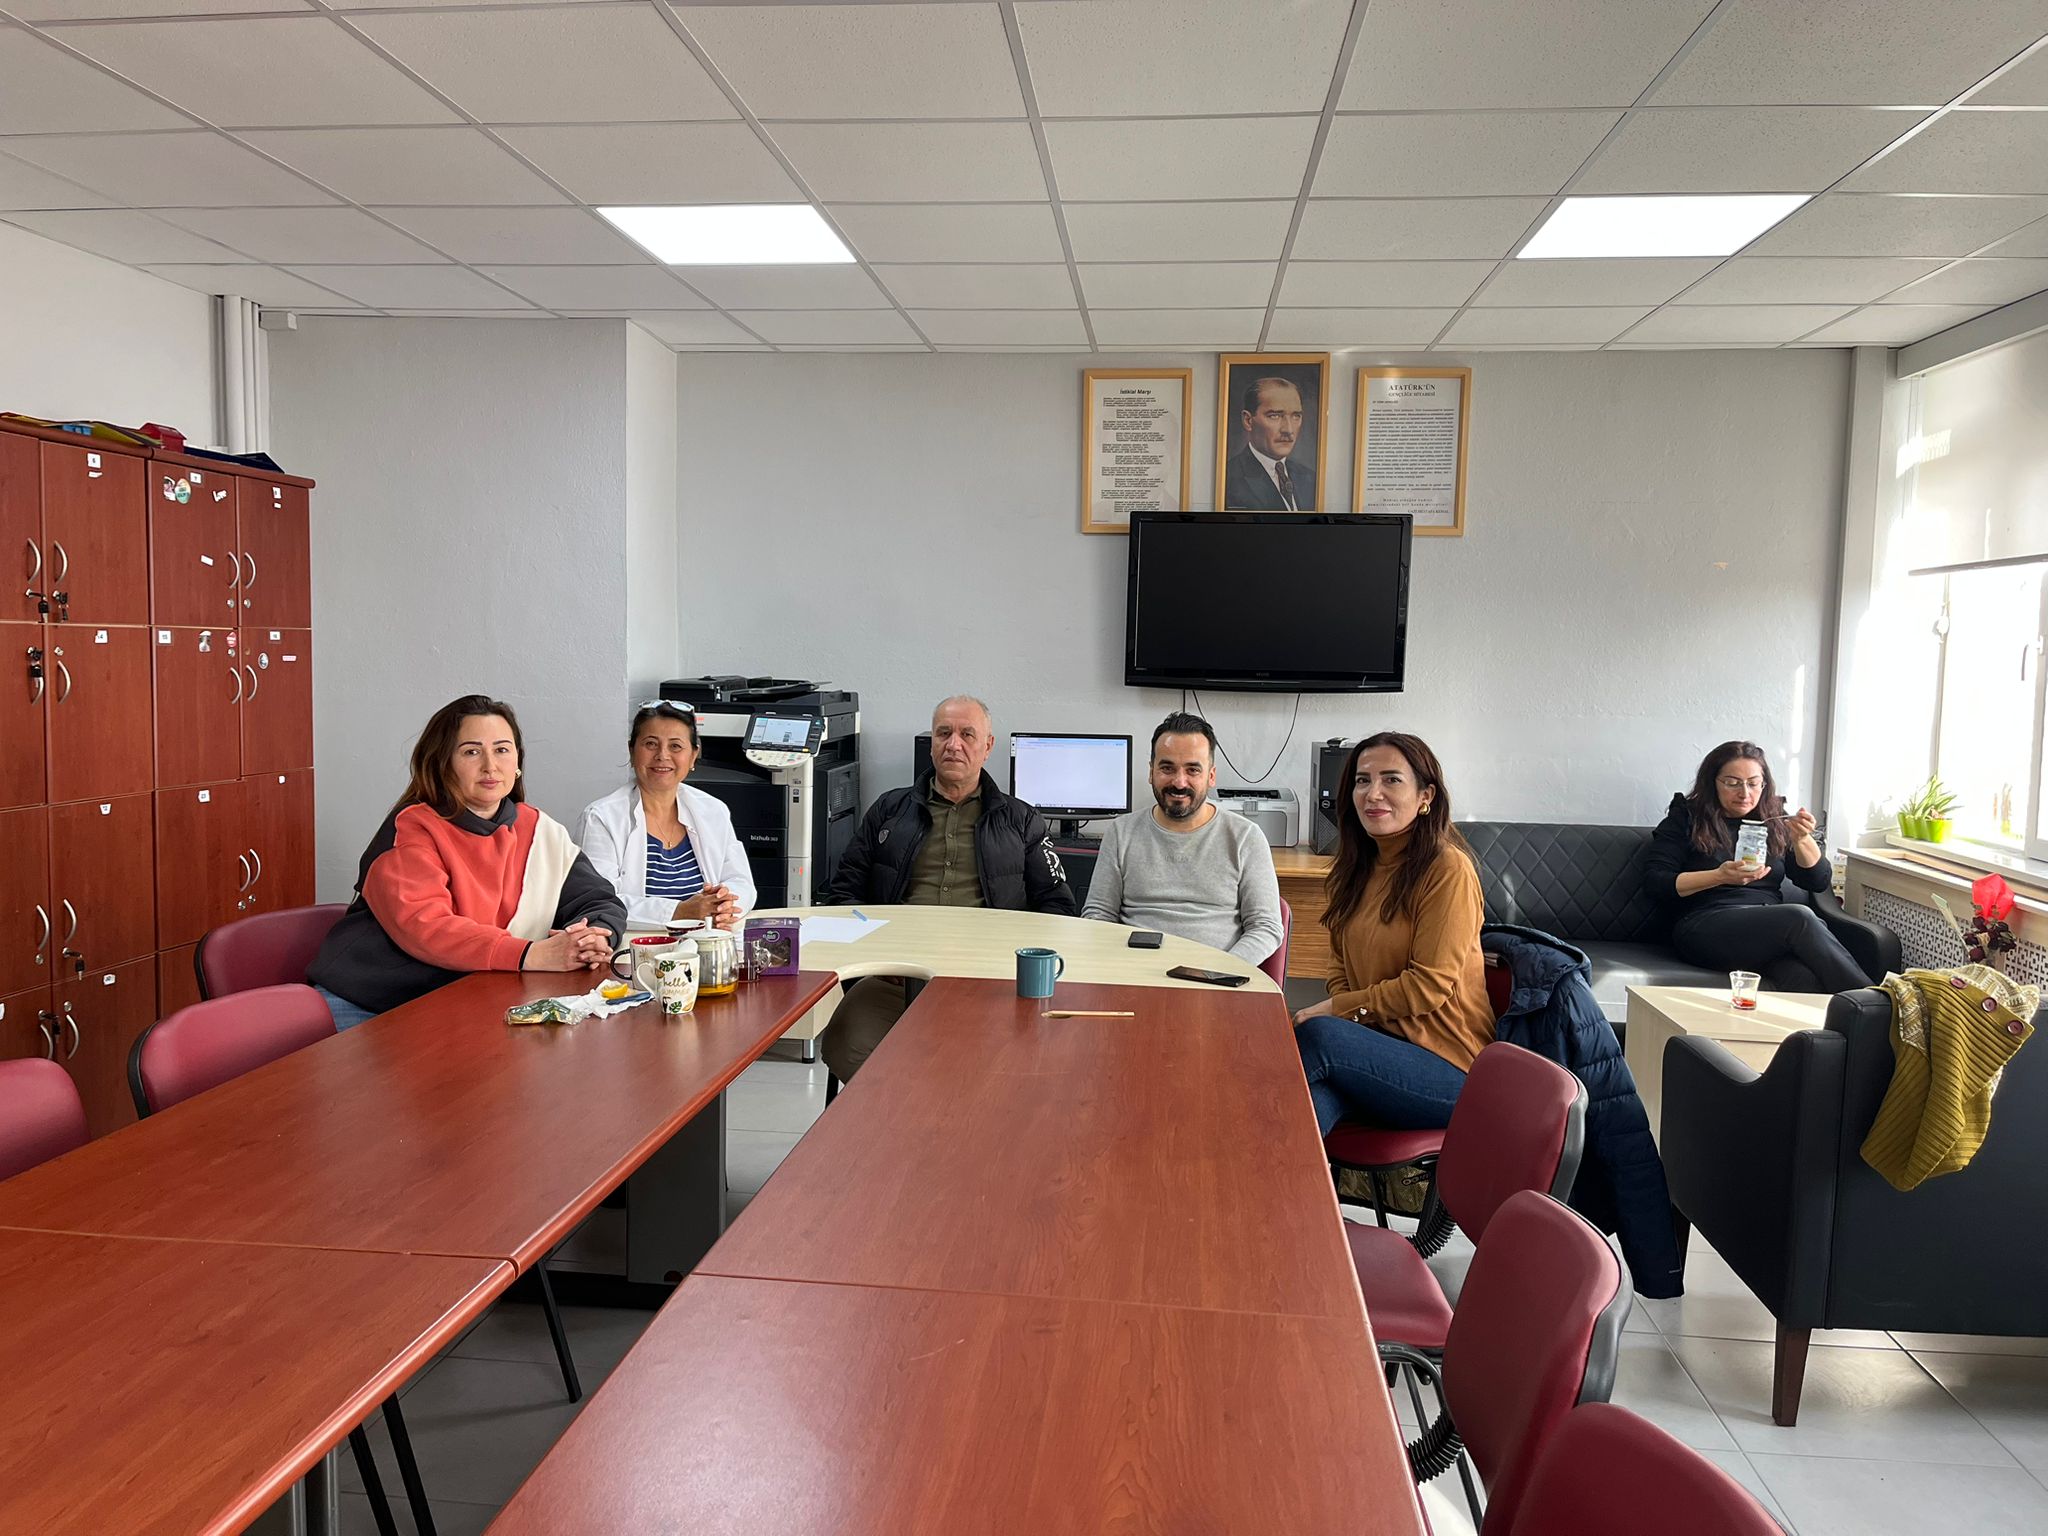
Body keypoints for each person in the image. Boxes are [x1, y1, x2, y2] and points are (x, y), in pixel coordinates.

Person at [308, 694, 626, 1029]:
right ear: (443, 763)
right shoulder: (411, 828)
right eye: (471, 752)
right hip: (372, 1003)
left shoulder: (539, 830)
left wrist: (592, 938)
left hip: (470, 1002)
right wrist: (533, 954)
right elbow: (429, 927)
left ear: (517, 761)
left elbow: (597, 900)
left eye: (502, 750)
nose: (490, 765)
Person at [817, 694, 1075, 1081]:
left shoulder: (1022, 820)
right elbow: (843, 894)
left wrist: (1018, 964)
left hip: (990, 981)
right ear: (932, 743)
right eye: (944, 733)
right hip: (895, 979)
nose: (954, 744)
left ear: (987, 746)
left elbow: (1058, 906)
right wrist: (876, 957)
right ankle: (912, 1113)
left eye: (967, 734)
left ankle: (936, 1109)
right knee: (846, 1044)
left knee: (1009, 1067)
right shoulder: (889, 811)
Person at [1293, 733, 1493, 1135]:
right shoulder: (1356, 869)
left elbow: (1428, 987)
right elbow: (1339, 966)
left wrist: (1339, 1012)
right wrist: (1349, 1018)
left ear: (1425, 796)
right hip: (1372, 1056)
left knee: (1315, 1035)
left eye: (1391, 780)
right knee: (1305, 1106)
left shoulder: (1447, 870)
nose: (1373, 793)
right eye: (1362, 781)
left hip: (1449, 1070)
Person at [1645, 740, 1867, 993]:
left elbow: (1816, 881)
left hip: (1768, 929)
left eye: (1753, 783)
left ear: (1764, 785)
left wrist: (1802, 839)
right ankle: (1879, 1004)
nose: (1744, 793)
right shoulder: (1687, 818)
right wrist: (1719, 876)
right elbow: (1656, 882)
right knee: (1799, 917)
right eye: (1732, 783)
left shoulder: (1773, 820)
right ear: (1712, 782)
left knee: (1804, 978)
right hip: (1704, 926)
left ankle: (1859, 1014)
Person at [1083, 711, 1283, 966]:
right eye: (1167, 768)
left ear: (1211, 776)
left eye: (1192, 770)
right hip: (1134, 971)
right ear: (1151, 772)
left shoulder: (1245, 837)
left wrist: (1219, 971)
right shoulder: (1121, 832)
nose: (1179, 782)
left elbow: (1266, 927)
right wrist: (1120, 966)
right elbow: (1098, 915)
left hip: (1215, 978)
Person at [575, 701, 755, 933]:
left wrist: (723, 905)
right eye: (650, 744)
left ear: (693, 756)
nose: (662, 755)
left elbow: (741, 882)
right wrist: (679, 911)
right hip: (636, 946)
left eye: (675, 746)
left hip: (708, 939)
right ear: (632, 751)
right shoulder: (601, 818)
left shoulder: (713, 810)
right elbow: (598, 901)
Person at [1222, 374, 1316, 511]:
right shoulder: (1228, 479)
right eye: (1275, 416)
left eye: (1296, 416)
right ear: (1248, 421)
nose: (1288, 430)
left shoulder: (1310, 478)